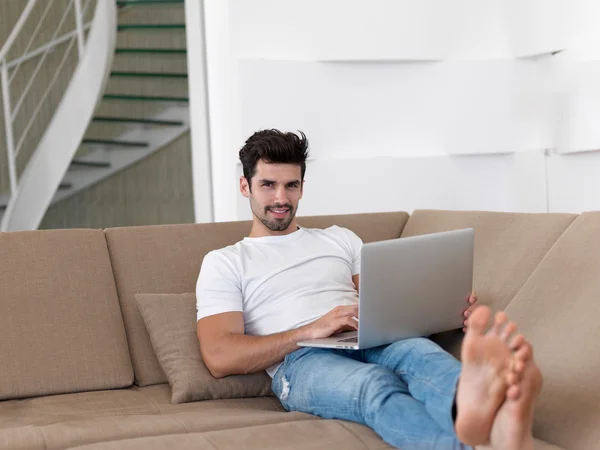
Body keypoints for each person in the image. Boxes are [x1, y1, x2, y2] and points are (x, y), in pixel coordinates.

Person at [196, 129, 542, 450]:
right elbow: (220, 358)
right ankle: (485, 440)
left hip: (369, 337)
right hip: (301, 361)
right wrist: (309, 331)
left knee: (423, 355)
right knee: (373, 385)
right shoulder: (225, 261)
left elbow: (387, 303)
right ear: (245, 186)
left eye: (291, 185)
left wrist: (444, 311)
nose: (281, 198)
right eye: (268, 185)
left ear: (302, 186)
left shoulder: (340, 238)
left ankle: (479, 411)